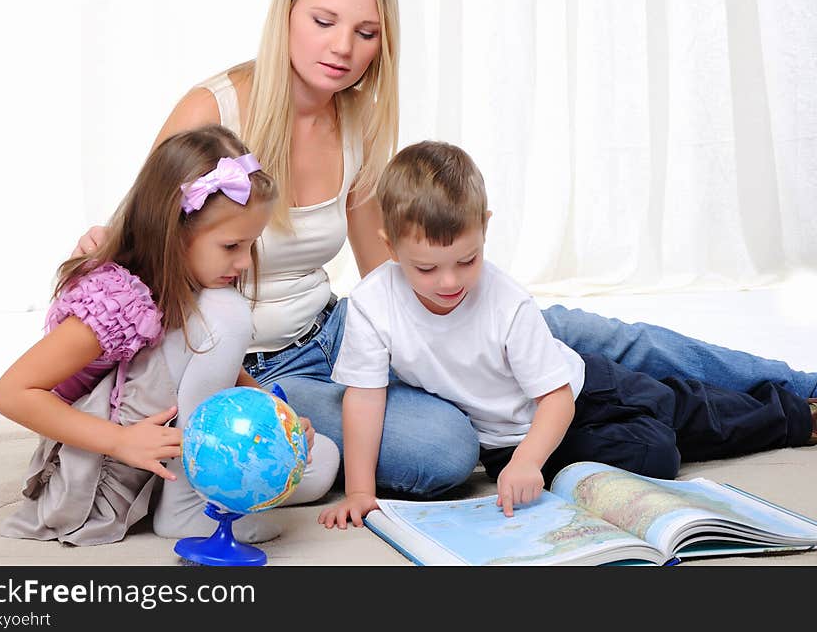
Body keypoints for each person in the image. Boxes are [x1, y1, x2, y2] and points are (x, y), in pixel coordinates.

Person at [75, 0, 817, 502]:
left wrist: (464, 320)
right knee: (441, 451)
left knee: (581, 333)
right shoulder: (215, 109)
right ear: (287, 13)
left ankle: (798, 385)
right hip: (253, 372)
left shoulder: (358, 122)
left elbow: (384, 273)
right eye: (325, 20)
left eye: (366, 33)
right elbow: (141, 243)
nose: (343, 48)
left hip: (330, 331)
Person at [317, 141, 817, 528]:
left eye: (466, 261)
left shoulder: (505, 302)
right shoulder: (371, 304)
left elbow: (556, 399)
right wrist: (361, 491)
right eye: (426, 268)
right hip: (510, 443)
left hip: (585, 391)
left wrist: (529, 461)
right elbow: (364, 398)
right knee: (657, 453)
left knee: (683, 409)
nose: (449, 283)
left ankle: (797, 415)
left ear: (485, 228)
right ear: (389, 245)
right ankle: (675, 427)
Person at [0, 125, 340, 547]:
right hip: (109, 462)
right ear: (175, 233)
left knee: (320, 460)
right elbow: (11, 392)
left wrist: (274, 415)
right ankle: (190, 505)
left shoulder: (195, 282)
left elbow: (210, 369)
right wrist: (121, 441)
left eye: (251, 245)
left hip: (162, 447)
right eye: (231, 246)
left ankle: (198, 493)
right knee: (226, 312)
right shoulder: (115, 300)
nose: (245, 262)